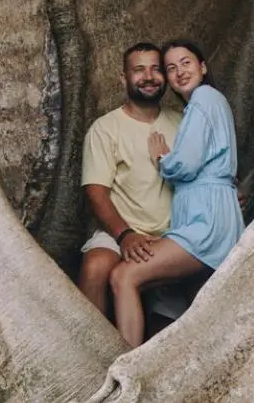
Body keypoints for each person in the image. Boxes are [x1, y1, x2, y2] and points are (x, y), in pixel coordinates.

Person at [109, 39, 245, 347]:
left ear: (203, 67)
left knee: (124, 277)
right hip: (202, 217)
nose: (179, 72)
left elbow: (185, 165)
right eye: (171, 68)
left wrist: (162, 158)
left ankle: (125, 365)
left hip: (206, 222)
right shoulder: (201, 106)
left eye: (186, 62)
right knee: (196, 304)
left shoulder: (205, 98)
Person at [77, 43, 186, 322]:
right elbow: (96, 191)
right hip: (122, 229)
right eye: (139, 70)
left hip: (174, 233)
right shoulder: (104, 129)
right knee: (96, 267)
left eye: (156, 69)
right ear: (123, 78)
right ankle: (93, 354)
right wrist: (125, 236)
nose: (148, 77)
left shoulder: (184, 121)